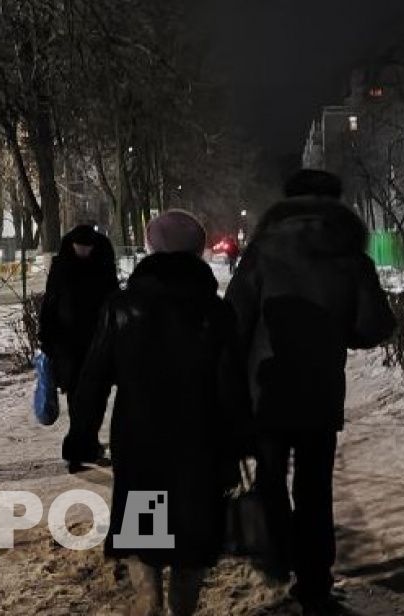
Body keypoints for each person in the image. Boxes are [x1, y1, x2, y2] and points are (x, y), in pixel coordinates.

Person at [225, 169, 395, 612]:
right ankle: (315, 582)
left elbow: (235, 322)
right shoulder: (349, 253)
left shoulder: (262, 250)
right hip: (320, 390)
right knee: (315, 488)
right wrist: (332, 331)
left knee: (270, 478)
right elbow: (374, 326)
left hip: (266, 388)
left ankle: (278, 556)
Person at [72, 210, 248, 615]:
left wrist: (83, 432)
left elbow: (94, 377)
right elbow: (232, 385)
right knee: (191, 543)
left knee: (146, 540)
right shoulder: (214, 311)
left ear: (152, 248)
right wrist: (241, 441)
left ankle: (147, 600)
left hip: (142, 444)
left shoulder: (122, 306)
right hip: (200, 446)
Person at [38, 224, 119, 468]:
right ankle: (76, 450)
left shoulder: (103, 266)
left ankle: (88, 445)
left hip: (97, 343)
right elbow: (50, 303)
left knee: (96, 398)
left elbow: (113, 301)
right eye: (79, 247)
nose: (83, 252)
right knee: (79, 399)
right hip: (69, 346)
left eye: (87, 248)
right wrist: (47, 339)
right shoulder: (63, 268)